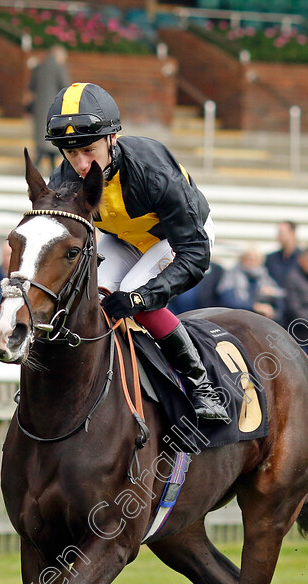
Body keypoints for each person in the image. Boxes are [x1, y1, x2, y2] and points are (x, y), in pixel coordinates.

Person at [45, 82, 227, 420]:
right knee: (88, 298)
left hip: (177, 238)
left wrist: (141, 298)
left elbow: (194, 254)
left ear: (112, 139)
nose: (81, 164)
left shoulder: (153, 171)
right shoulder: (64, 179)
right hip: (125, 238)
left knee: (131, 295)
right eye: (71, 153)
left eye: (88, 150)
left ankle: (202, 386)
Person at [28, 46, 71, 172]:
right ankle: (52, 171)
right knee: (52, 140)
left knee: (42, 140)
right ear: (59, 56)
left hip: (40, 109)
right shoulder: (59, 68)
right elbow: (66, 87)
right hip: (55, 109)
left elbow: (32, 86)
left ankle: (37, 169)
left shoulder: (39, 67)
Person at [216, 247, 284, 323]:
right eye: (249, 258)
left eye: (255, 259)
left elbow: (280, 302)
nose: (252, 262)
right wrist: (254, 307)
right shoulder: (232, 277)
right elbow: (228, 301)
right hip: (237, 321)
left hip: (259, 323)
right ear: (242, 260)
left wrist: (271, 297)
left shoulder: (265, 279)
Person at [265, 221, 300, 288]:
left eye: (281, 233)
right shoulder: (270, 259)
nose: (278, 236)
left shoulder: (303, 259)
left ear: (293, 233)